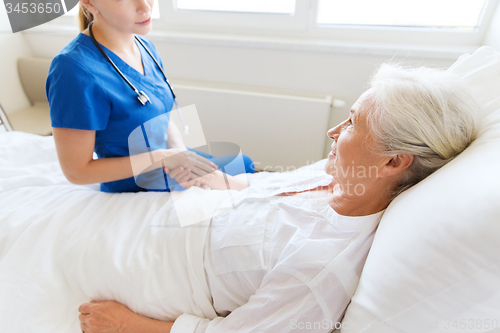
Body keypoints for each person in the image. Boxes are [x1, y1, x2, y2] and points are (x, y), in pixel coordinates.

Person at [76, 63, 480, 333]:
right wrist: (218, 181)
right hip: (182, 216)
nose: (334, 132)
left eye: (353, 122)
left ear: (394, 161)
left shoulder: (320, 268)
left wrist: (128, 325)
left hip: (165, 271)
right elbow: (262, 194)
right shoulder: (336, 176)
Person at [45, 0, 254, 193]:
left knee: (244, 163)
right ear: (89, 3)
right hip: (134, 180)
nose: (145, 6)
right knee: (243, 183)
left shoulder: (144, 46)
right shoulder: (72, 69)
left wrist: (180, 154)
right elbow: (77, 172)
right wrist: (164, 158)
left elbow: (161, 115)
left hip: (169, 160)